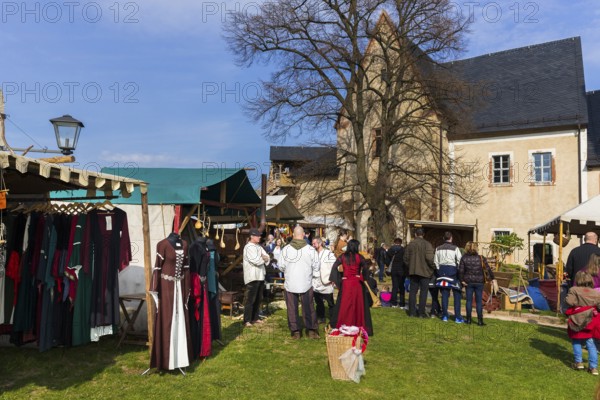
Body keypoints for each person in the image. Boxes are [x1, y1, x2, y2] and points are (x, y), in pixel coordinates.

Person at [279, 226, 320, 339]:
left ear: (293, 235)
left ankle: (296, 331)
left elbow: (281, 266)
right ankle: (311, 330)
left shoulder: (286, 250)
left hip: (291, 282)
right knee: (309, 306)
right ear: (303, 235)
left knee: (292, 308)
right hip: (306, 282)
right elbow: (316, 266)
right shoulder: (311, 250)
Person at [329, 239, 374, 336]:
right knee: (357, 305)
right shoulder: (359, 257)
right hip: (356, 284)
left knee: (345, 305)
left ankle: (344, 324)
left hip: (346, 283)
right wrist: (362, 277)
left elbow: (334, 266)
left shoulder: (343, 257)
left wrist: (339, 280)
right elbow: (366, 267)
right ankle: (356, 325)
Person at [564, 271, 600, 375]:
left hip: (577, 319)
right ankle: (593, 368)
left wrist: (579, 304)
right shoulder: (595, 293)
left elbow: (569, 302)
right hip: (591, 320)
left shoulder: (574, 290)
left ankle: (578, 362)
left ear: (577, 279)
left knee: (576, 340)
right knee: (591, 343)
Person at [458, 241, 495, 326]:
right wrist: (492, 278)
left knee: (469, 301)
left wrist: (461, 280)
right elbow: (488, 269)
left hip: (468, 282)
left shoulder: (464, 258)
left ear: (466, 248)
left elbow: (461, 271)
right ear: (476, 248)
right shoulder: (481, 258)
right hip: (479, 282)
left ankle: (468, 320)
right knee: (479, 302)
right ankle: (480, 321)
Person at [403, 228, 435, 318]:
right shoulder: (427, 244)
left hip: (413, 271)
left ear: (416, 234)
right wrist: (433, 267)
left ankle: (412, 312)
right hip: (425, 272)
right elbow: (430, 259)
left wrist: (411, 266)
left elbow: (405, 258)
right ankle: (421, 313)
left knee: (413, 292)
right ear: (423, 234)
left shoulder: (410, 244)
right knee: (423, 292)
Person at [242, 228, 270, 328]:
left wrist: (264, 257)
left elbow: (268, 257)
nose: (259, 237)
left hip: (260, 276)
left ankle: (255, 317)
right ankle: (247, 320)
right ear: (252, 237)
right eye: (257, 236)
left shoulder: (259, 247)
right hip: (252, 277)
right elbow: (256, 261)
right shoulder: (248, 247)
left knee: (258, 298)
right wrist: (263, 258)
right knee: (250, 299)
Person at [434, 232, 463, 323]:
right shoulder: (455, 248)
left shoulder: (438, 248)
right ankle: (457, 317)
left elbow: (435, 262)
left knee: (444, 295)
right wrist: (458, 271)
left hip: (442, 271)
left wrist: (439, 271)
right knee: (457, 295)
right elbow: (460, 261)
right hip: (453, 271)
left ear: (443, 238)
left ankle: (445, 316)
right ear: (451, 238)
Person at [311, 236, 336, 324]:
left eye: (314, 243)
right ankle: (321, 317)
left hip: (326, 281)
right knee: (318, 302)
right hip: (316, 282)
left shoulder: (328, 253)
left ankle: (333, 319)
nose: (313, 245)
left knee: (330, 303)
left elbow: (334, 266)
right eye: (312, 243)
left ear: (320, 243)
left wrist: (333, 278)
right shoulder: (313, 254)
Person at [386, 238, 406, 308]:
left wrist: (389, 265)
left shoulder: (390, 250)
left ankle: (393, 303)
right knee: (401, 287)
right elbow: (405, 260)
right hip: (401, 270)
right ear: (401, 243)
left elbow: (387, 260)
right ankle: (402, 303)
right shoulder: (403, 250)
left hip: (393, 270)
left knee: (394, 286)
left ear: (394, 242)